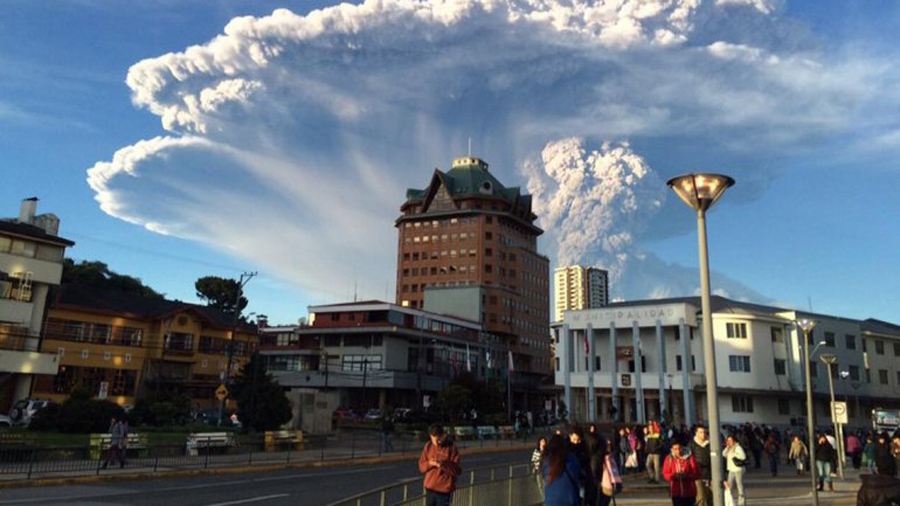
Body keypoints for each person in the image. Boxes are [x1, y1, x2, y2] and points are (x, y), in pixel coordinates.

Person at [417, 424, 461, 506]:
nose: (436, 443)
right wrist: (430, 463)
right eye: (433, 440)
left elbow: (457, 470)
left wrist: (442, 464)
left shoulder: (451, 448)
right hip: (430, 489)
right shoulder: (428, 446)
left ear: (443, 435)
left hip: (444, 491)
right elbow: (421, 467)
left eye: (438, 440)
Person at [543, 434, 581, 506]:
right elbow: (576, 476)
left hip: (551, 501)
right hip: (569, 501)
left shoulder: (546, 460)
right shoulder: (570, 459)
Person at [663, 439, 700, 506]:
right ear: (672, 449)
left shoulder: (690, 458)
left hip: (689, 492)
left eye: (679, 448)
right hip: (676, 493)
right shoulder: (669, 459)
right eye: (675, 449)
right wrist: (674, 476)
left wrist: (687, 476)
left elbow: (696, 473)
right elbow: (666, 474)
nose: (678, 451)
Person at [689, 426, 712, 506]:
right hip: (697, 474)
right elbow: (688, 458)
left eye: (705, 432)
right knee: (701, 497)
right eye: (701, 432)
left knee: (711, 497)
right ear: (696, 433)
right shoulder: (691, 444)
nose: (703, 434)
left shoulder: (711, 443)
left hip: (710, 473)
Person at [723, 434, 747, 506]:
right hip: (731, 470)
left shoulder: (737, 447)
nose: (729, 442)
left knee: (740, 486)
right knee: (729, 486)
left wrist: (735, 454)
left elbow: (743, 456)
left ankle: (741, 503)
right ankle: (730, 502)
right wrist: (727, 447)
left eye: (730, 440)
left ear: (734, 441)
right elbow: (723, 454)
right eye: (728, 440)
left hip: (738, 469)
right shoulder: (729, 448)